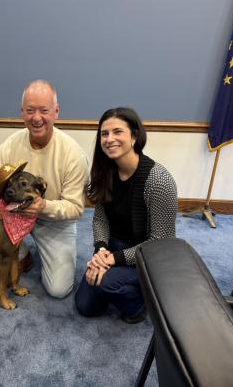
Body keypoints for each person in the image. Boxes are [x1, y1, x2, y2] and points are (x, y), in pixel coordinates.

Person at [0, 79, 89, 298]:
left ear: (56, 112)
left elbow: (76, 208)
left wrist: (43, 206)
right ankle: (21, 252)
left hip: (54, 222)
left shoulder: (73, 154)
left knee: (59, 290)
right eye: (30, 110)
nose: (37, 118)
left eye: (44, 110)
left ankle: (35, 250)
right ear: (22, 112)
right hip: (14, 215)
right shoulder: (11, 144)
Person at [74, 107, 177, 323]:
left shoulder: (159, 181)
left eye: (117, 132)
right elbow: (100, 218)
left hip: (147, 257)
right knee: (85, 306)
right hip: (113, 246)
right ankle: (116, 281)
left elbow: (160, 243)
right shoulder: (106, 170)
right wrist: (101, 250)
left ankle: (139, 304)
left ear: (134, 136)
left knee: (104, 283)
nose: (109, 139)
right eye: (104, 134)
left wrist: (113, 259)